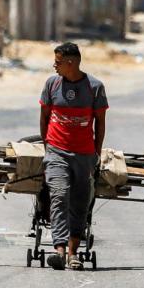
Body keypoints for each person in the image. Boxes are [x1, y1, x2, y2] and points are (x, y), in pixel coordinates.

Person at [39, 42, 108, 271]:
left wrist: (96, 154)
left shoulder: (95, 87)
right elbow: (45, 116)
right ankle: (58, 249)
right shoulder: (52, 84)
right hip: (57, 152)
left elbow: (100, 123)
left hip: (84, 155)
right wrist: (49, 146)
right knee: (59, 196)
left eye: (58, 62)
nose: (54, 66)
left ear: (71, 62)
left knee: (79, 203)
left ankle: (73, 253)